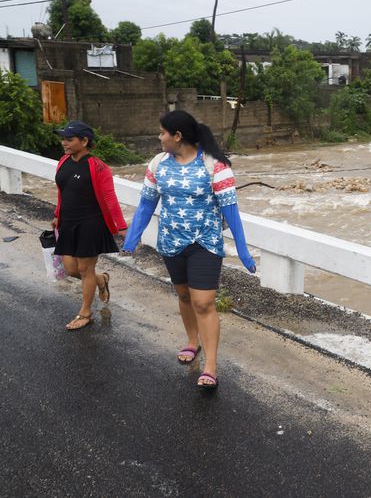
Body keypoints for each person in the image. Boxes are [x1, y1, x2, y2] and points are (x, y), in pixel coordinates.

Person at [123, 110, 256, 390]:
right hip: (171, 242)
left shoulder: (214, 166)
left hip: (204, 243)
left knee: (203, 303)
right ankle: (192, 342)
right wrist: (132, 237)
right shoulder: (158, 164)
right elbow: (147, 203)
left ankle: (210, 366)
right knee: (184, 295)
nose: (159, 138)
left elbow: (231, 211)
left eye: (162, 133)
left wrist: (242, 251)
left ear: (177, 136)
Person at [51, 121, 128, 330]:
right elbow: (63, 191)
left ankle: (85, 313)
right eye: (63, 138)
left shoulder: (99, 167)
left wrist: (121, 226)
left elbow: (109, 197)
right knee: (70, 269)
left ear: (84, 141)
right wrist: (57, 214)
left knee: (85, 269)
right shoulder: (63, 161)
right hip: (68, 222)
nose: (64, 142)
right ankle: (101, 280)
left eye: (69, 139)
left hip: (90, 223)